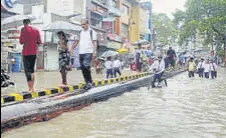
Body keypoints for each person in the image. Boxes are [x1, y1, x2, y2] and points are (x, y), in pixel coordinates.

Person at [71, 19, 97, 90]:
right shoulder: (79, 32)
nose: (83, 26)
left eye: (84, 24)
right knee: (83, 68)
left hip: (89, 51)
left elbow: (94, 42)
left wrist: (94, 52)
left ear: (87, 24)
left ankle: (89, 83)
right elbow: (76, 41)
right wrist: (72, 48)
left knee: (86, 66)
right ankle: (87, 82)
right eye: (82, 24)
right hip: (81, 52)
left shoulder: (92, 32)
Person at [19, 19, 41, 92]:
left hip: (26, 52)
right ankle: (32, 88)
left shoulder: (23, 29)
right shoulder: (36, 30)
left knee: (27, 70)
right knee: (32, 70)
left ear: (24, 23)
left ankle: (29, 88)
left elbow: (21, 42)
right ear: (30, 22)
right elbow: (39, 42)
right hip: (34, 52)